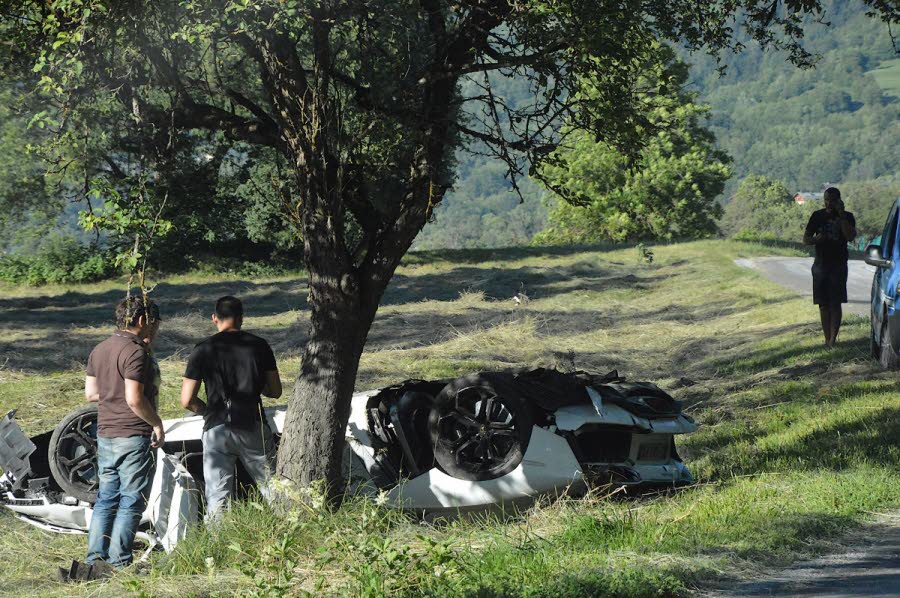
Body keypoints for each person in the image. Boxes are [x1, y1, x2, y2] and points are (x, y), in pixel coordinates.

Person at [62, 297, 164, 581]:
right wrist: (156, 423)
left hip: (105, 433)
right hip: (133, 433)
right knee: (131, 500)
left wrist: (112, 391)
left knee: (106, 499)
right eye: (155, 324)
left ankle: (94, 559)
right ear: (142, 320)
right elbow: (134, 399)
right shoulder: (136, 352)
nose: (156, 330)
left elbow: (91, 394)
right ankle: (119, 562)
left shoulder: (100, 348)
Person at [179, 296, 282, 518]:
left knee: (218, 496)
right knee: (273, 488)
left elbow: (187, 400)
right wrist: (257, 384)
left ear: (214, 318)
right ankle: (290, 528)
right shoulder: (259, 345)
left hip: (216, 428)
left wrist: (209, 412)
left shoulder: (202, 349)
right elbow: (275, 391)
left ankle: (218, 537)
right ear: (241, 318)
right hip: (252, 423)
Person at [803, 187, 857, 348]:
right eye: (826, 200)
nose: (829, 203)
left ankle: (833, 339)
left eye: (832, 200)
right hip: (820, 265)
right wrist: (816, 240)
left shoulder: (848, 217)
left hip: (838, 265)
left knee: (835, 303)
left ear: (839, 201)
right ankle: (827, 340)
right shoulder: (817, 216)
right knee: (823, 304)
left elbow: (850, 236)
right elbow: (806, 239)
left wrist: (841, 216)